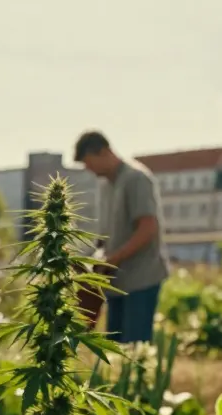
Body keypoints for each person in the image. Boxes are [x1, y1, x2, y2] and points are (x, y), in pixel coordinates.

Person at [74, 130, 169, 344]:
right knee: (114, 348)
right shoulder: (106, 184)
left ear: (104, 152)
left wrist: (114, 258)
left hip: (140, 278)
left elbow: (147, 228)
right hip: (117, 280)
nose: (89, 170)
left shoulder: (136, 178)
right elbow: (108, 233)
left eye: (90, 163)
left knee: (135, 349)